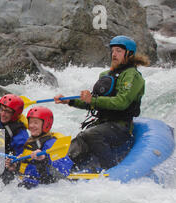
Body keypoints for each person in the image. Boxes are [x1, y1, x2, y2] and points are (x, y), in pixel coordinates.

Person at [54, 35, 150, 170]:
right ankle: (59, 170)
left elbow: (121, 102)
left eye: (119, 51)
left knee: (91, 134)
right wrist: (69, 101)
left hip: (120, 127)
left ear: (129, 54)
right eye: (113, 50)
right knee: (81, 138)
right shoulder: (106, 75)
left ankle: (110, 169)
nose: (114, 54)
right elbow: (93, 102)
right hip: (102, 125)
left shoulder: (132, 76)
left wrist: (92, 99)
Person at [6, 106, 73, 189]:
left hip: (43, 188)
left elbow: (64, 171)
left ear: (46, 124)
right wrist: (15, 167)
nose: (31, 126)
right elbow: (29, 167)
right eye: (30, 122)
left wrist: (43, 159)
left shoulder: (51, 144)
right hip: (27, 183)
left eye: (35, 123)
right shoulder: (30, 141)